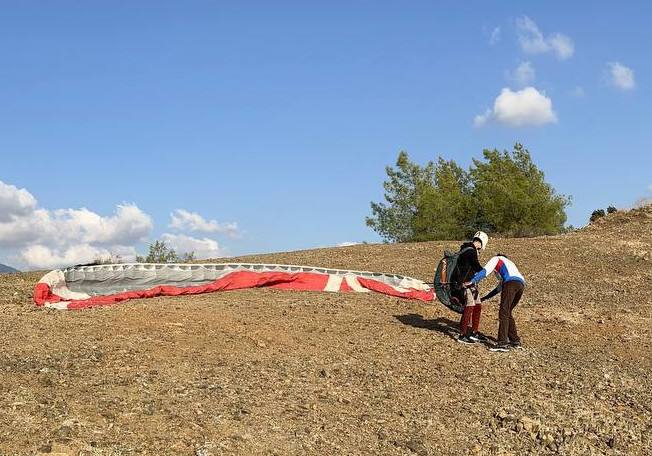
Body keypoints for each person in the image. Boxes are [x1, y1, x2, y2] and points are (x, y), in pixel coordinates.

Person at [467, 253, 526, 352]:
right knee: (508, 312)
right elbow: (498, 289)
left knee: (503, 312)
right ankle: (515, 341)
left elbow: (485, 271)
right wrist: (484, 298)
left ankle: (502, 343)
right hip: (521, 285)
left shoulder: (497, 259)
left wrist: (473, 281)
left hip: (511, 283)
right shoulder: (510, 266)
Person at [453, 231, 488, 344]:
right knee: (470, 305)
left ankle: (474, 332)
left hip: (470, 283)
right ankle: (462, 334)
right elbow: (476, 266)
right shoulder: (471, 251)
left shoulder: (466, 249)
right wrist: (486, 271)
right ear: (482, 242)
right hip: (465, 283)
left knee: (477, 305)